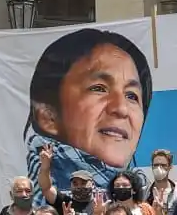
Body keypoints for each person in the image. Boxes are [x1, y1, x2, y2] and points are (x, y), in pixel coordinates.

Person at [24, 28, 153, 198]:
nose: (121, 109)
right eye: (99, 88)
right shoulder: (41, 202)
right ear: (48, 116)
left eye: (131, 96)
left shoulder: (145, 197)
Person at [87, 170, 161, 215]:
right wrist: (97, 214)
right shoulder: (106, 209)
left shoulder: (145, 209)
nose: (121, 188)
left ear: (134, 190)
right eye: (117, 186)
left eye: (125, 185)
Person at [146, 149, 177, 215]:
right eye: (156, 165)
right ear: (152, 167)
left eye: (163, 165)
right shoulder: (144, 193)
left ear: (170, 167)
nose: (159, 168)